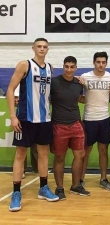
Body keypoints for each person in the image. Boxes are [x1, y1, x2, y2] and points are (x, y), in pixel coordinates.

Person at [6, 38, 59, 212]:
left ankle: (43, 188)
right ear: (33, 48)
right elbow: (10, 90)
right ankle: (16, 193)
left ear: (48, 49)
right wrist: (13, 116)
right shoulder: (25, 65)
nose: (42, 49)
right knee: (21, 153)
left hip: (44, 119)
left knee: (43, 153)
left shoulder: (50, 68)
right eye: (39, 46)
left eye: (44, 47)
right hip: (26, 118)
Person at [51, 56, 90, 200]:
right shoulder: (54, 82)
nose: (69, 69)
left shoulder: (78, 83)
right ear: (63, 67)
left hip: (76, 123)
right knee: (59, 157)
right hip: (59, 125)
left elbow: (81, 98)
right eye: (66, 66)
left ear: (76, 68)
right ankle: (59, 188)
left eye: (71, 67)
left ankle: (75, 186)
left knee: (80, 155)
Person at [80, 52, 110, 190]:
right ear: (94, 62)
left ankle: (103, 178)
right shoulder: (85, 77)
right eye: (98, 62)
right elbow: (78, 96)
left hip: (105, 119)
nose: (101, 65)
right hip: (89, 119)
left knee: (103, 150)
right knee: (85, 151)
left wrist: (108, 100)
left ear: (106, 63)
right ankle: (80, 179)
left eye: (103, 62)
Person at [14, 85, 38, 178]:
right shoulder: (20, 83)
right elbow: (15, 101)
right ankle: (22, 169)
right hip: (23, 117)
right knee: (22, 146)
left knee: (37, 145)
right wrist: (17, 100)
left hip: (37, 117)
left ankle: (37, 168)